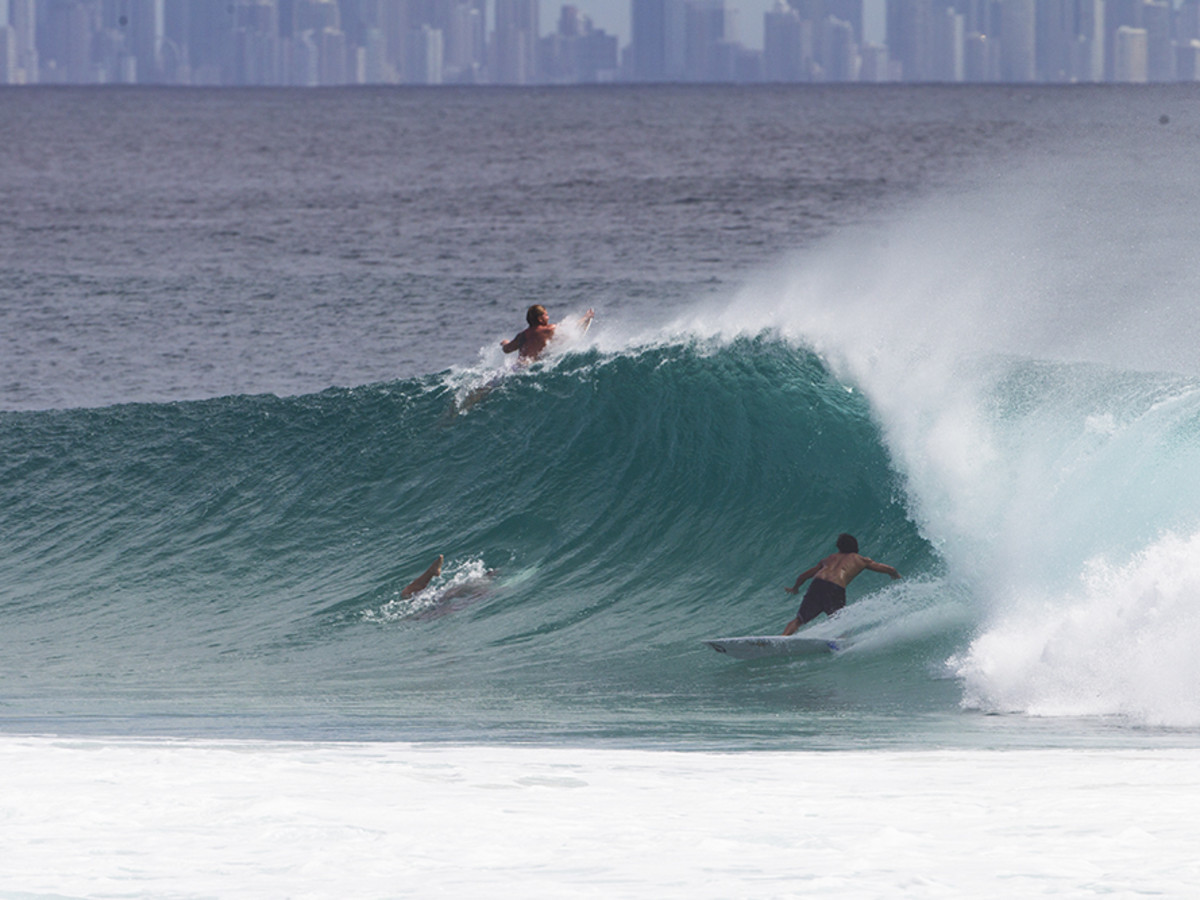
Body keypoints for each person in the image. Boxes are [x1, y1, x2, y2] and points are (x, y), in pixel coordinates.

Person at [782, 534, 899, 635]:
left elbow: (803, 576)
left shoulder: (829, 559)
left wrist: (795, 588)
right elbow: (890, 568)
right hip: (834, 587)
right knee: (841, 622)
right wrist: (895, 575)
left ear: (839, 546)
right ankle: (841, 643)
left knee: (798, 620)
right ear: (855, 546)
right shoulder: (861, 559)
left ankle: (782, 637)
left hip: (817, 584)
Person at [500, 304, 593, 362]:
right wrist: (586, 317)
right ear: (540, 319)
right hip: (531, 367)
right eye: (546, 315)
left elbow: (507, 349)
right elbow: (572, 327)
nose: (548, 317)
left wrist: (505, 343)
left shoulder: (521, 336)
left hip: (517, 367)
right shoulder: (549, 329)